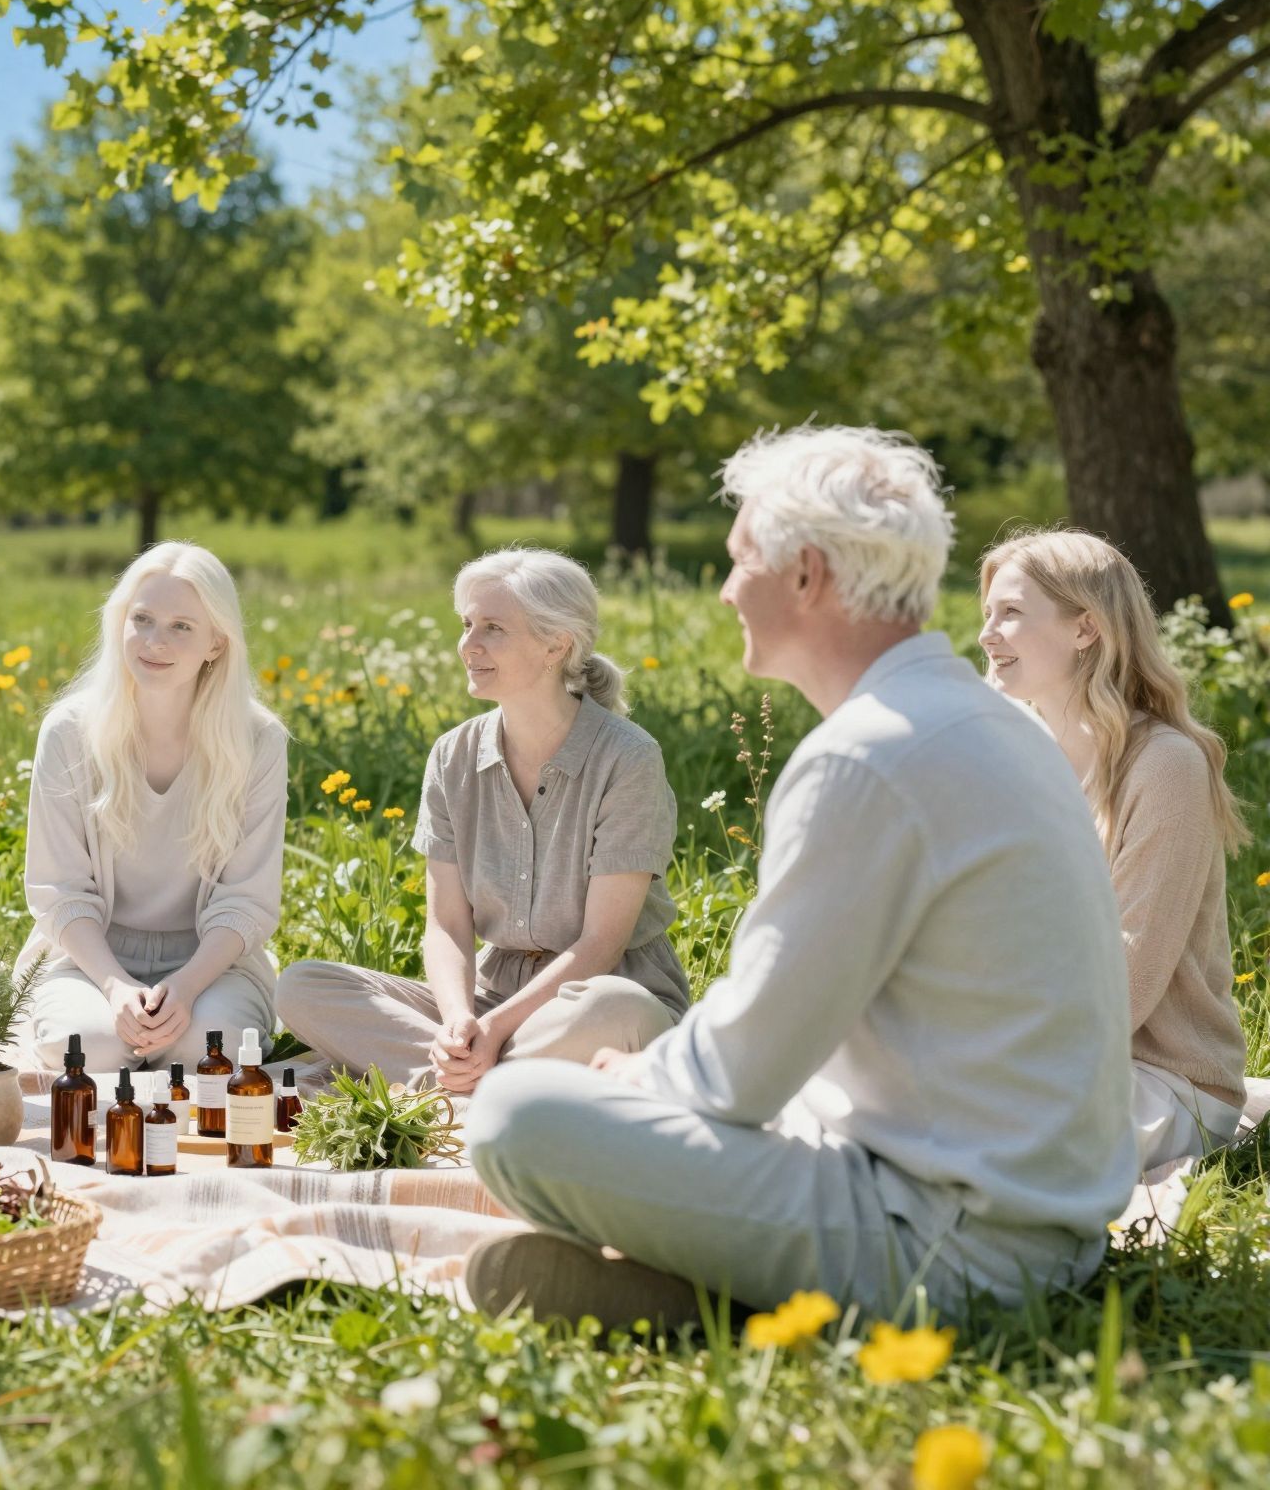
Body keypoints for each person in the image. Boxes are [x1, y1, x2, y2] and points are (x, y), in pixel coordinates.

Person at [465, 425, 1138, 1326]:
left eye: (744, 560)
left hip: (952, 1241)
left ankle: (756, 1306)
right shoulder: (989, 721)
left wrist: (638, 1081)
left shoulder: (868, 758)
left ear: (809, 575)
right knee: (594, 1086)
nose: (727, 587)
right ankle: (713, 1294)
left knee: (516, 1115)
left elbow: (740, 1075)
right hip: (1041, 1224)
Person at [277, 548, 687, 1092]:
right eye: (468, 624)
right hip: (487, 1000)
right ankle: (475, 1083)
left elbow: (601, 945)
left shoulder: (628, 757)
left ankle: (429, 1086)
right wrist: (458, 1023)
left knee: (617, 1011)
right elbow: (447, 924)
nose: (468, 645)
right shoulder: (453, 755)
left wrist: (494, 1030)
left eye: (493, 628)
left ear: (556, 645)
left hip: (596, 996)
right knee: (302, 986)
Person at [981, 528, 1249, 1169]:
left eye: (1012, 613)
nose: (988, 634)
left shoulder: (1165, 767)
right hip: (1042, 1053)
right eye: (988, 613)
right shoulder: (1015, 755)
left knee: (959, 1142)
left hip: (1164, 1080)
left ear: (1085, 629)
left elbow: (1127, 983)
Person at [20, 542, 287, 1073]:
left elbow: (247, 901)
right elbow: (59, 891)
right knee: (90, 1049)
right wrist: (117, 989)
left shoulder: (258, 740)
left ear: (216, 642)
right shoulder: (70, 732)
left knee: (207, 1050)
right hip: (87, 959)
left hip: (213, 963)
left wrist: (184, 990)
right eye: (141, 619)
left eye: (181, 627)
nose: (154, 642)